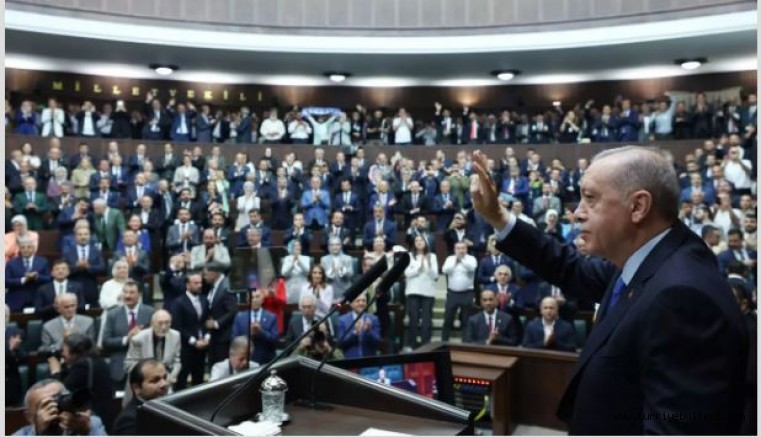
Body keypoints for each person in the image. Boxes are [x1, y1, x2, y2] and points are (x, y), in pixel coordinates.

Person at [469, 147, 747, 434]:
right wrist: (498, 216)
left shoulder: (683, 299)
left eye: (590, 198)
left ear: (638, 207)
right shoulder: (647, 257)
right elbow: (570, 268)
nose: (577, 213)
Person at [47, 334, 115, 433]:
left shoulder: (82, 365)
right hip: (106, 416)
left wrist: (55, 372)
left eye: (64, 350)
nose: (62, 353)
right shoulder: (98, 360)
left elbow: (62, 391)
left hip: (92, 420)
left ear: (74, 351)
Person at [101, 281, 154, 388]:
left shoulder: (150, 312)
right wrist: (126, 339)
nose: (127, 296)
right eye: (125, 292)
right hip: (120, 368)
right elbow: (105, 341)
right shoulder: (112, 314)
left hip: (143, 367)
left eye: (131, 292)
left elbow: (155, 338)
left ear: (140, 294)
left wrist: (142, 336)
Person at [124, 310, 182, 405]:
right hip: (143, 388)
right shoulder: (138, 338)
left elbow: (177, 361)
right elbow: (128, 364)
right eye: (160, 323)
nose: (164, 327)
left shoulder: (176, 336)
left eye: (167, 323)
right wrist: (149, 373)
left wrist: (172, 376)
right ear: (152, 324)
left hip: (165, 385)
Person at [12, 379, 107, 436]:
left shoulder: (91, 423)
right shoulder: (21, 435)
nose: (54, 408)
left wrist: (87, 432)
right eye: (44, 405)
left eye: (58, 400)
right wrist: (41, 433)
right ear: (29, 417)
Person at [112, 359, 170, 435]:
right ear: (136, 388)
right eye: (155, 380)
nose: (164, 384)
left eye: (165, 378)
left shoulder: (165, 406)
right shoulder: (129, 421)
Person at [404, 235, 439, 349]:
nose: (419, 242)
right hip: (413, 291)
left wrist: (428, 264)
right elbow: (407, 273)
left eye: (421, 240)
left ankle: (426, 345)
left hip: (428, 292)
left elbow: (435, 275)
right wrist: (418, 268)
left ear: (426, 242)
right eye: (416, 240)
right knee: (413, 319)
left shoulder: (432, 256)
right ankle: (412, 345)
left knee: (426, 320)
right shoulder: (410, 256)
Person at [440, 241, 478, 342]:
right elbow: (445, 270)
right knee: (448, 319)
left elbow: (472, 268)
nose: (461, 250)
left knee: (466, 320)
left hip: (467, 293)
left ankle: (465, 344)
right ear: (454, 249)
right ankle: (444, 342)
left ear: (466, 249)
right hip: (452, 293)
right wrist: (455, 261)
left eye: (463, 248)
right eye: (458, 248)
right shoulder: (450, 259)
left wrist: (461, 260)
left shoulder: (471, 259)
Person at [231, 288, 279, 365]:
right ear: (247, 300)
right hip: (246, 361)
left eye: (257, 297)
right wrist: (250, 334)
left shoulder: (271, 317)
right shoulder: (239, 318)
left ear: (262, 299)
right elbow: (234, 341)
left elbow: (275, 341)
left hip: (266, 361)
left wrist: (260, 332)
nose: (255, 300)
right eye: (252, 297)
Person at [338, 292, 381, 358]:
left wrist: (368, 332)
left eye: (364, 301)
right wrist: (355, 333)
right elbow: (340, 344)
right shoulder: (342, 320)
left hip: (369, 359)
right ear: (351, 304)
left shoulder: (373, 319)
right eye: (357, 301)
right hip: (350, 360)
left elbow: (377, 343)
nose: (361, 303)